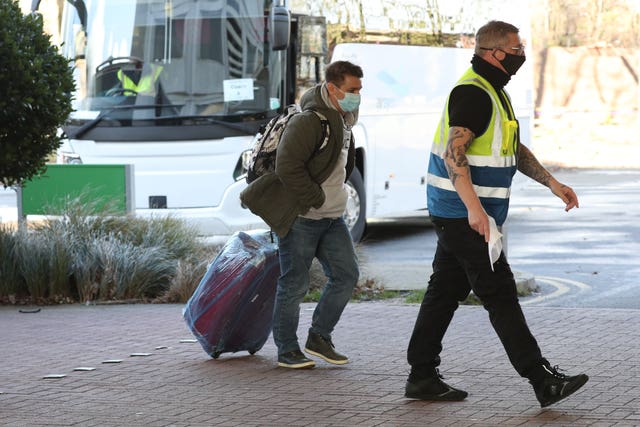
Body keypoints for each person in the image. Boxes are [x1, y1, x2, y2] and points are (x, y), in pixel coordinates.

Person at [405, 20, 589, 407]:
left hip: (464, 213)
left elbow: (513, 148)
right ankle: (542, 380)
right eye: (515, 49)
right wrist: (474, 210)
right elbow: (454, 153)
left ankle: (422, 375)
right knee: (500, 293)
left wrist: (553, 184)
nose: (521, 55)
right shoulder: (473, 92)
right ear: (493, 53)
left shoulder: (494, 91)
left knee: (445, 291)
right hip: (463, 214)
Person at [240, 61, 363, 369]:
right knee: (294, 283)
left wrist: (333, 199)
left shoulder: (343, 120)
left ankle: (319, 337)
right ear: (332, 88)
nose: (358, 96)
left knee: (346, 275)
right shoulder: (310, 121)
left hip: (332, 217)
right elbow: (287, 167)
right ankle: (287, 350)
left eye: (360, 90)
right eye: (352, 90)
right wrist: (314, 199)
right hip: (304, 217)